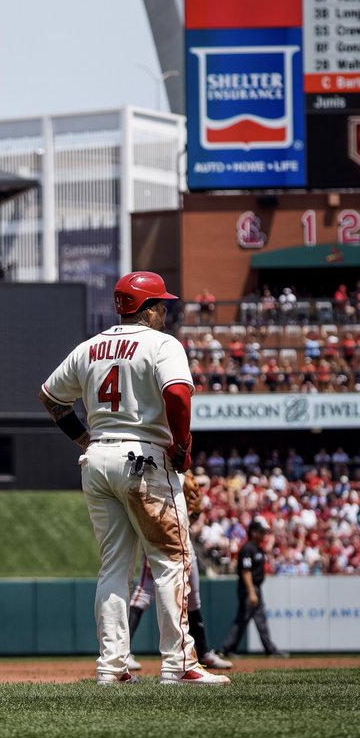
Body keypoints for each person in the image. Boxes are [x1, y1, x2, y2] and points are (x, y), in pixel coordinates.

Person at [40, 270, 229, 686]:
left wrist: (84, 439)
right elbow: (177, 394)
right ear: (147, 308)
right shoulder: (163, 344)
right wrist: (182, 446)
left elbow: (51, 397)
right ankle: (179, 663)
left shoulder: (89, 347)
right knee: (172, 560)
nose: (165, 310)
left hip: (98, 458)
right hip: (144, 459)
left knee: (113, 567)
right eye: (161, 303)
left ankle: (112, 667)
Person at [126, 470, 232, 672]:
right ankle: (123, 653)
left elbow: (194, 509)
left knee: (193, 600)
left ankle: (204, 653)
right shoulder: (154, 473)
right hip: (157, 539)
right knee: (142, 595)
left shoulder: (178, 476)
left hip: (184, 540)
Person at [219, 519, 287, 659]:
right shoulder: (247, 548)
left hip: (255, 588)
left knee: (259, 619)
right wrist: (251, 592)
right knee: (243, 618)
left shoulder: (257, 548)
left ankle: (269, 649)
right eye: (261, 532)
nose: (264, 535)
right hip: (248, 587)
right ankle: (226, 649)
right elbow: (246, 571)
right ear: (254, 532)